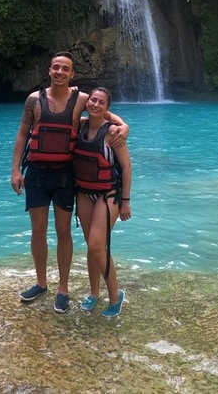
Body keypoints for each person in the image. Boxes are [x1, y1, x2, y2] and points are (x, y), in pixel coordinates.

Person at [10, 51, 128, 313]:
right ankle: (41, 283)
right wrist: (15, 170)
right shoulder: (33, 101)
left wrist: (124, 126)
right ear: (49, 71)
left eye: (65, 69)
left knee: (63, 230)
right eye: (56, 68)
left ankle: (63, 289)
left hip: (65, 175)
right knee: (38, 229)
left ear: (72, 74)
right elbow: (22, 135)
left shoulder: (82, 100)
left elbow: (105, 113)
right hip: (37, 174)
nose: (60, 72)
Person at [73, 86, 132, 318]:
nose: (95, 105)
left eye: (101, 102)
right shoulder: (80, 125)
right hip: (84, 192)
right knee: (91, 246)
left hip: (109, 194)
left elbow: (126, 166)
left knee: (97, 245)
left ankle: (116, 297)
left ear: (107, 108)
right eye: (92, 101)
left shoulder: (113, 132)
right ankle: (94, 293)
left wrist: (126, 201)